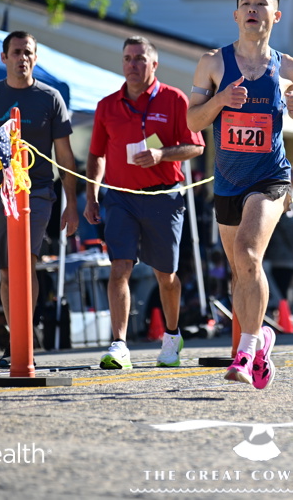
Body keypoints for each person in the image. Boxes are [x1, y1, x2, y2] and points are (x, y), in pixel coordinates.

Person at [186, 0, 293, 389]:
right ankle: (262, 341)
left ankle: (245, 350)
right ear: (236, 14)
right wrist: (221, 100)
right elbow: (192, 121)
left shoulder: (288, 66)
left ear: (275, 15)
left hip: (270, 177)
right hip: (227, 181)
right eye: (246, 2)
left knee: (248, 253)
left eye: (261, 2)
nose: (253, 7)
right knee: (241, 272)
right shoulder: (212, 63)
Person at [0, 30, 79, 368]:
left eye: (28, 52)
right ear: (4, 57)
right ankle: (16, 339)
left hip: (37, 192)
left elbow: (66, 157)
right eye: (16, 52)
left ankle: (25, 336)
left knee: (26, 261)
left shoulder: (50, 97)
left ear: (35, 58)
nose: (22, 58)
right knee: (8, 271)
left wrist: (71, 205)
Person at [83, 36, 204, 370]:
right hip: (120, 198)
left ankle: (172, 336)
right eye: (127, 58)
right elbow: (95, 155)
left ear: (154, 64)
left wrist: (162, 154)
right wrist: (92, 196)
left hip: (163, 196)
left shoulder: (174, 99)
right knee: (119, 267)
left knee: (166, 274)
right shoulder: (107, 105)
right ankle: (119, 344)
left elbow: (196, 146)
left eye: (139, 58)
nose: (132, 65)